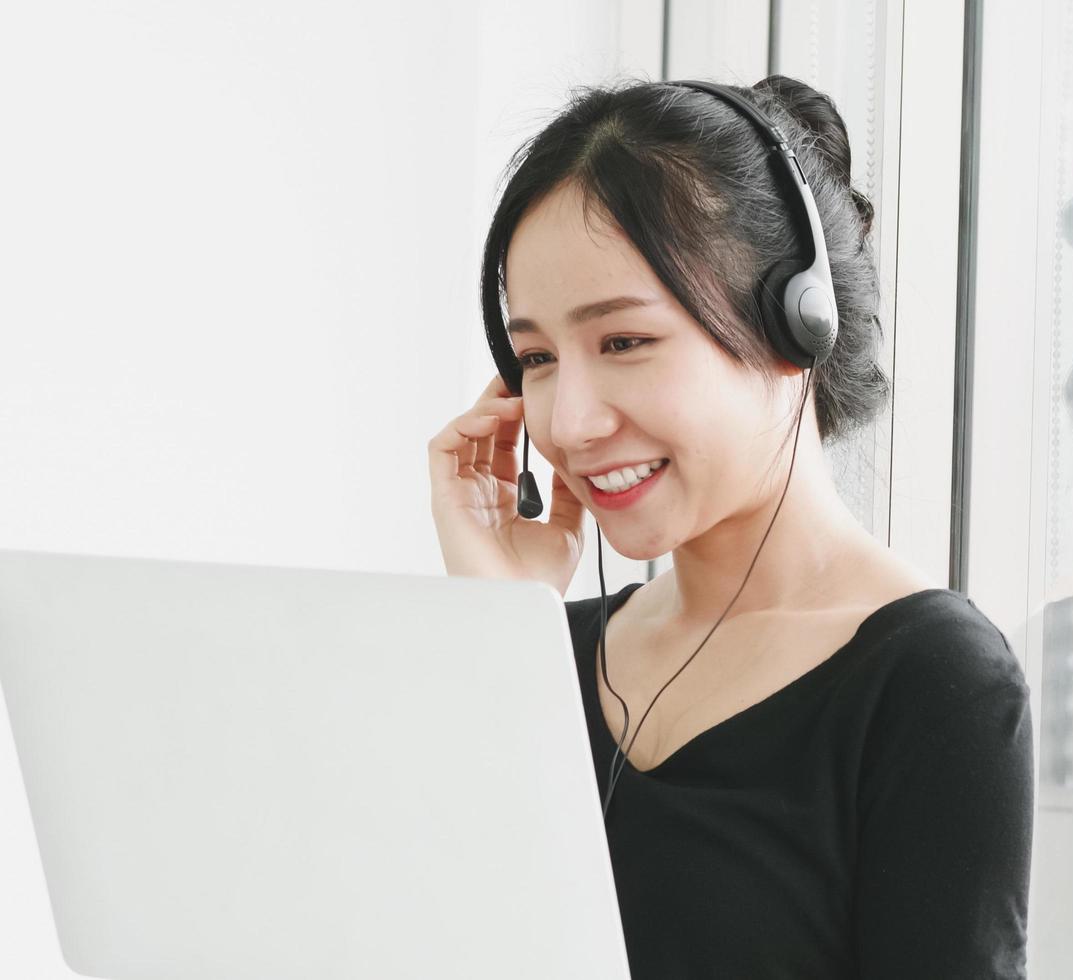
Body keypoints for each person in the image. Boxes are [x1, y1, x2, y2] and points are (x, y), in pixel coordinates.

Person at [427, 74, 1032, 978]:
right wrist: (499, 630)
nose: (571, 422)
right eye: (538, 358)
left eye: (624, 341)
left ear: (798, 323)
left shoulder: (930, 686)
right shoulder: (544, 655)